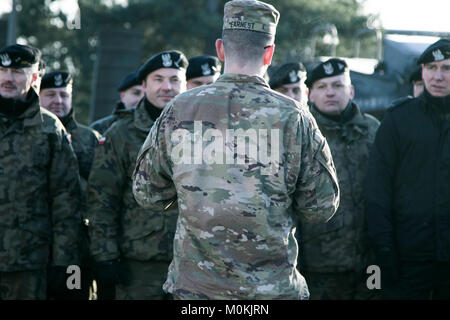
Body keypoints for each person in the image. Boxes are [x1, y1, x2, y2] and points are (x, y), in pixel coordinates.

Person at [132, 0, 339, 300]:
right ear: (269, 52)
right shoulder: (294, 118)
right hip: (270, 294)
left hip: (195, 292)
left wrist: (195, 196)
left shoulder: (179, 110)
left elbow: (146, 192)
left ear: (220, 49)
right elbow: (321, 207)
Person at [87, 50, 188, 300]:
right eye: (158, 79)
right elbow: (102, 199)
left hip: (194, 262)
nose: (167, 87)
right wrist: (106, 256)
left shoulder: (204, 131)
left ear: (185, 84)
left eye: (175, 80)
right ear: (143, 85)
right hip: (140, 265)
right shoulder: (120, 134)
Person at [365, 38, 450, 300]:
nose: (438, 76)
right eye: (431, 67)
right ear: (422, 71)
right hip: (408, 256)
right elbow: (378, 188)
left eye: (447, 68)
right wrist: (384, 250)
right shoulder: (399, 119)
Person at [0, 44, 82, 299]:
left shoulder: (49, 128)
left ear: (35, 77)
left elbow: (66, 201)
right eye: (2, 70)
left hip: (29, 263)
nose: (7, 78)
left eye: (17, 72)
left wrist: (65, 264)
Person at [297, 58, 380, 300]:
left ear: (351, 91)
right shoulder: (300, 135)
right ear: (310, 95)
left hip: (371, 261)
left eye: (338, 85)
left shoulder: (373, 130)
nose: (330, 92)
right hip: (320, 263)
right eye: (322, 87)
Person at [39, 70, 100, 300]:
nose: (58, 101)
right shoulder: (31, 135)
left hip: (77, 248)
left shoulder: (89, 139)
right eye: (51, 94)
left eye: (64, 95)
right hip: (36, 245)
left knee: (73, 293)